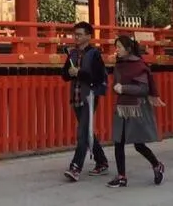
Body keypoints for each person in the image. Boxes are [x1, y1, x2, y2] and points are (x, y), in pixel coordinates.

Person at [107, 35, 165, 188]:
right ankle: (121, 176)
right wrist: (116, 87)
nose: (117, 50)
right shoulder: (119, 64)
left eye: (119, 47)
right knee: (118, 142)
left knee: (138, 144)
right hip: (122, 106)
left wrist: (123, 88)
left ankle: (157, 164)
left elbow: (143, 89)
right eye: (116, 47)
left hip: (136, 108)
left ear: (128, 49)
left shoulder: (139, 65)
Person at [61, 21, 109, 180]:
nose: (76, 37)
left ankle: (75, 167)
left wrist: (79, 73)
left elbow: (99, 77)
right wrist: (70, 72)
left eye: (80, 34)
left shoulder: (94, 54)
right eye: (75, 34)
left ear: (88, 36)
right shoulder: (72, 53)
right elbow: (64, 75)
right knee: (87, 131)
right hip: (76, 96)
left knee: (82, 133)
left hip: (89, 97)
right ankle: (101, 161)